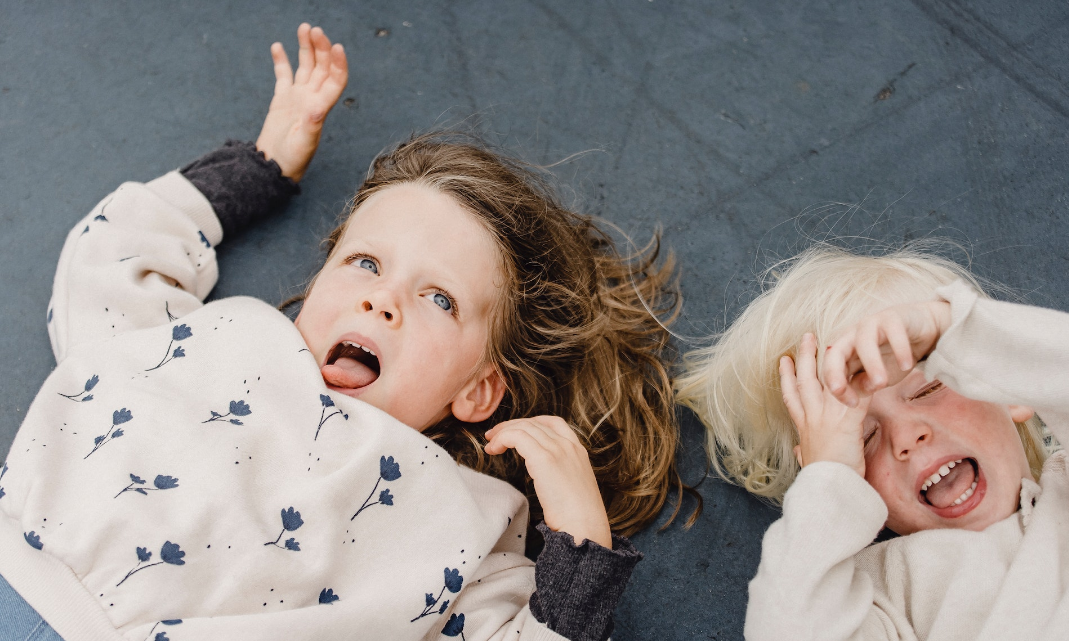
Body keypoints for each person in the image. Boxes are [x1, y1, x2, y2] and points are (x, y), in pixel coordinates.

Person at [0, 24, 683, 641]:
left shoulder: (464, 527)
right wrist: (261, 166)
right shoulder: (219, 340)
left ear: (479, 389)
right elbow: (110, 259)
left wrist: (579, 543)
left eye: (438, 298)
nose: (382, 300)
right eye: (364, 262)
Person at [676, 244, 1069, 640]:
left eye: (927, 389)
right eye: (863, 438)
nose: (906, 437)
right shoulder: (879, 594)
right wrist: (829, 477)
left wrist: (952, 330)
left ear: (1006, 385)